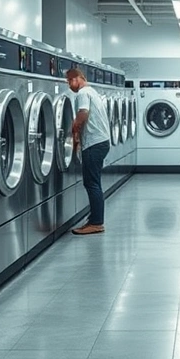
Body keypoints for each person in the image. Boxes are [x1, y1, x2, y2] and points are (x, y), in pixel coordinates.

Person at [65, 68, 111, 235]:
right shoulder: (92, 91)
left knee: (91, 184)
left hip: (94, 143)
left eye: (70, 81)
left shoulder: (83, 93)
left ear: (78, 78)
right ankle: (94, 220)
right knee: (94, 183)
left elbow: (83, 113)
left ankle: (97, 223)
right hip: (102, 142)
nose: (69, 85)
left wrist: (74, 129)